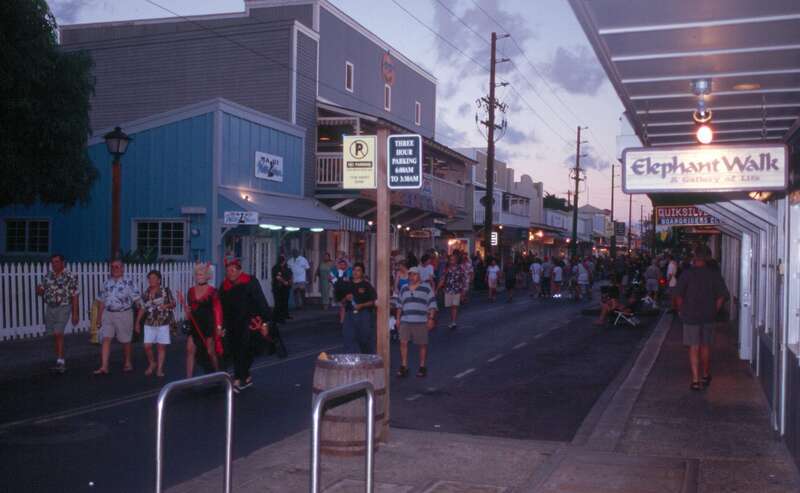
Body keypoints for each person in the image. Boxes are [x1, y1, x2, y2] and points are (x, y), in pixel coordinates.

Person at [675, 245, 729, 391]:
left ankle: (695, 380)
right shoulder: (714, 275)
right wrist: (714, 310)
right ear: (707, 257)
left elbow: (678, 296)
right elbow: (722, 296)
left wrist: (681, 310)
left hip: (690, 315)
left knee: (694, 347)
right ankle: (705, 374)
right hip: (708, 316)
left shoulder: (686, 274)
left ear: (694, 257)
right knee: (705, 346)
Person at [219, 256, 273, 392]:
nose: (230, 273)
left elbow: (261, 301)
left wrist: (265, 323)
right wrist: (221, 325)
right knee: (235, 351)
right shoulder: (224, 286)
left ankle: (238, 379)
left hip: (249, 323)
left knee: (245, 350)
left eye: (232, 270)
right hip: (232, 324)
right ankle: (246, 377)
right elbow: (220, 307)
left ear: (239, 271)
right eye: (228, 270)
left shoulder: (250, 282)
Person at [94, 259, 141, 375]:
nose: (114, 269)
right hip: (108, 314)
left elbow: (138, 301)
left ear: (122, 269)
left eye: (117, 267)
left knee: (125, 340)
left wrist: (139, 320)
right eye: (112, 267)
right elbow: (101, 301)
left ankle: (128, 362)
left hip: (124, 314)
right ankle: (104, 366)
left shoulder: (129, 283)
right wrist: (99, 318)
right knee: (106, 338)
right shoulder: (106, 283)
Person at [178, 262, 223, 378]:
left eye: (202, 274)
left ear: (208, 276)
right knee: (189, 350)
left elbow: (218, 310)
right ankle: (188, 379)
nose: (199, 277)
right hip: (195, 324)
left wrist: (218, 327)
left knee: (210, 352)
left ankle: (218, 374)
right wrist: (187, 311)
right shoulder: (191, 291)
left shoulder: (213, 291)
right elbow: (190, 311)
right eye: (197, 274)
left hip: (208, 325)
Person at [36, 254, 79, 373]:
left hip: (64, 307)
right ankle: (59, 358)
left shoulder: (70, 276)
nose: (54, 264)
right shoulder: (48, 275)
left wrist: (75, 314)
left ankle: (61, 362)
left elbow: (75, 295)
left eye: (57, 262)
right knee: (54, 335)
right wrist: (38, 290)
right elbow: (40, 291)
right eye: (53, 262)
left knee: (58, 333)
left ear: (62, 262)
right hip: (50, 307)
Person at [393, 267, 438, 378]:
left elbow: (432, 304)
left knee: (422, 344)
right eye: (410, 274)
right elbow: (399, 305)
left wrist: (431, 319)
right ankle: (404, 366)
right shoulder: (404, 288)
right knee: (403, 342)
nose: (412, 277)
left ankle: (422, 366)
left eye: (415, 274)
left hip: (421, 320)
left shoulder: (426, 288)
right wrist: (398, 319)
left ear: (419, 276)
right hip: (406, 320)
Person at [135, 270, 175, 377]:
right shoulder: (146, 293)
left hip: (163, 322)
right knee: (147, 346)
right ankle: (152, 363)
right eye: (149, 278)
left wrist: (166, 306)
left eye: (153, 278)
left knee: (161, 347)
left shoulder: (165, 291)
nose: (151, 280)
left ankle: (159, 369)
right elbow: (142, 308)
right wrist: (137, 322)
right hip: (149, 323)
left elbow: (173, 303)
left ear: (159, 280)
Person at [339, 262, 377, 353]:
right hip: (350, 314)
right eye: (354, 270)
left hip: (364, 314)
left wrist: (361, 305)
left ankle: (367, 359)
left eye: (358, 270)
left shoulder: (367, 285)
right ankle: (350, 363)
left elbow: (373, 301)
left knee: (364, 339)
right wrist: (345, 298)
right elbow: (342, 302)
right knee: (348, 338)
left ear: (362, 273)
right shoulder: (347, 284)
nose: (355, 272)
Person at [438, 255, 466, 330]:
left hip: (457, 290)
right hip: (448, 290)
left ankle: (453, 322)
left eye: (453, 259)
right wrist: (437, 289)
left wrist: (463, 292)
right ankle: (452, 319)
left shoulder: (460, 269)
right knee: (450, 306)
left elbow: (463, 280)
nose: (452, 261)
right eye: (451, 260)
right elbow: (442, 279)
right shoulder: (447, 269)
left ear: (456, 260)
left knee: (454, 306)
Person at [271, 255, 292, 323]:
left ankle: (285, 315)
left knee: (284, 302)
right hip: (278, 288)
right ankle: (277, 318)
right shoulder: (276, 268)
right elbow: (278, 277)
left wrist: (289, 282)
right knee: (278, 303)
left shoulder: (286, 268)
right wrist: (284, 282)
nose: (284, 263)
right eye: (283, 261)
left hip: (285, 288)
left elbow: (290, 275)